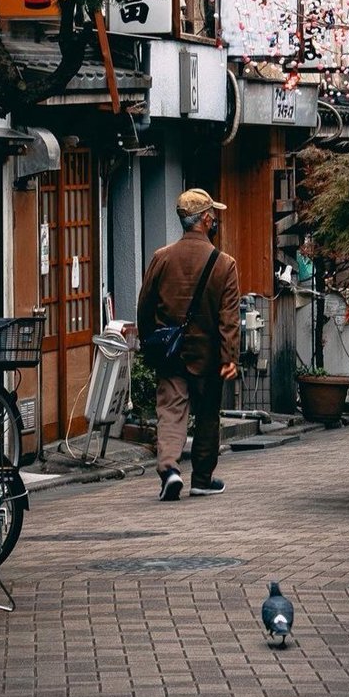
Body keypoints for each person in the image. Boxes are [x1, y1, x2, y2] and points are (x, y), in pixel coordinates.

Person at [136, 188, 240, 501]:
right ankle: (203, 478)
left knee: (169, 411)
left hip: (169, 351)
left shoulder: (161, 257)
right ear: (206, 220)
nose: (216, 219)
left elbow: (145, 306)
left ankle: (169, 469)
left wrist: (149, 343)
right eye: (214, 215)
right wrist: (229, 355)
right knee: (208, 413)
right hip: (208, 354)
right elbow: (229, 316)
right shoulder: (224, 264)